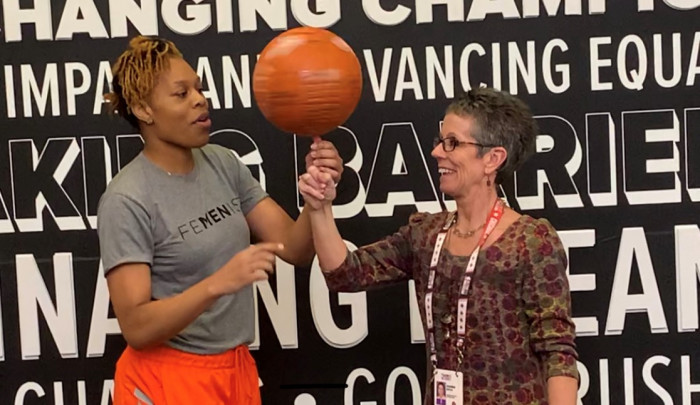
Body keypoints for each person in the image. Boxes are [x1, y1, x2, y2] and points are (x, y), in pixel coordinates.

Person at [97, 36, 343, 405]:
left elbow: (294, 248)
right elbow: (137, 327)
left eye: (198, 87)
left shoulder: (222, 162)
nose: (200, 99)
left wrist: (315, 201)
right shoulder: (126, 199)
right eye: (181, 94)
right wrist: (219, 283)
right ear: (143, 109)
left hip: (233, 370)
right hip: (164, 379)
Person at [298, 87, 579, 404]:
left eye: (453, 143)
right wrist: (319, 208)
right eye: (440, 141)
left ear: (492, 159)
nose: (437, 153)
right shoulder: (426, 234)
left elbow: (557, 351)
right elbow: (345, 274)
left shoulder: (531, 240)